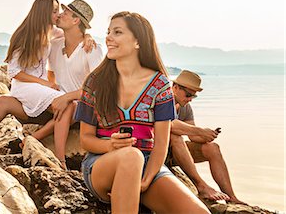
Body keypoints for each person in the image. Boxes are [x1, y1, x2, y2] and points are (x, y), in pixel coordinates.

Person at [76, 12, 210, 213]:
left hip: (148, 166)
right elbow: (85, 139)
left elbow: (162, 143)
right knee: (131, 156)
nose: (109, 38)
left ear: (138, 41)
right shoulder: (95, 82)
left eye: (117, 32)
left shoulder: (160, 85)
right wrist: (110, 145)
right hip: (101, 164)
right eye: (109, 32)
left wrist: (147, 180)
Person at [0, 0, 99, 169]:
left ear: (76, 20)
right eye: (55, 11)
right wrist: (48, 85)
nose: (59, 14)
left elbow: (96, 86)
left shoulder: (58, 37)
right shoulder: (34, 37)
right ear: (44, 13)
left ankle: (36, 141)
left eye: (63, 11)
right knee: (66, 105)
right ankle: (60, 160)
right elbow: (14, 72)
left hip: (70, 99)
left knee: (5, 102)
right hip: (32, 88)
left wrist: (87, 36)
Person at [168, 70, 246, 204]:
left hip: (173, 152)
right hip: (156, 152)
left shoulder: (185, 107)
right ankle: (201, 186)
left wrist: (207, 136)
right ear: (175, 87)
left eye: (194, 96)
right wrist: (199, 131)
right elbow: (170, 125)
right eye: (188, 95)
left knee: (212, 148)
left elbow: (193, 137)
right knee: (176, 136)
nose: (190, 99)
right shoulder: (162, 100)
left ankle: (231, 197)